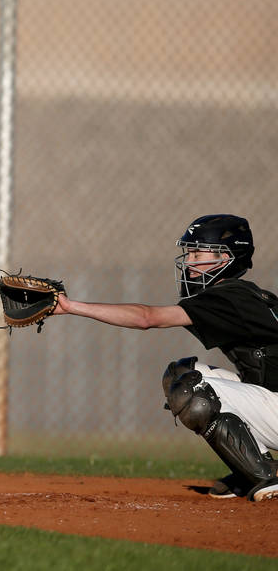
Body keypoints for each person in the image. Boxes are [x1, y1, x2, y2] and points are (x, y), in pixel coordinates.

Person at [52, 214, 278, 501]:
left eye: (198, 252)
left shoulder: (230, 298)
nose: (189, 260)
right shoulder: (243, 295)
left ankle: (266, 478)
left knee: (192, 390)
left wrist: (71, 306)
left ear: (225, 259)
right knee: (182, 373)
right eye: (189, 252)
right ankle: (253, 467)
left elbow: (148, 318)